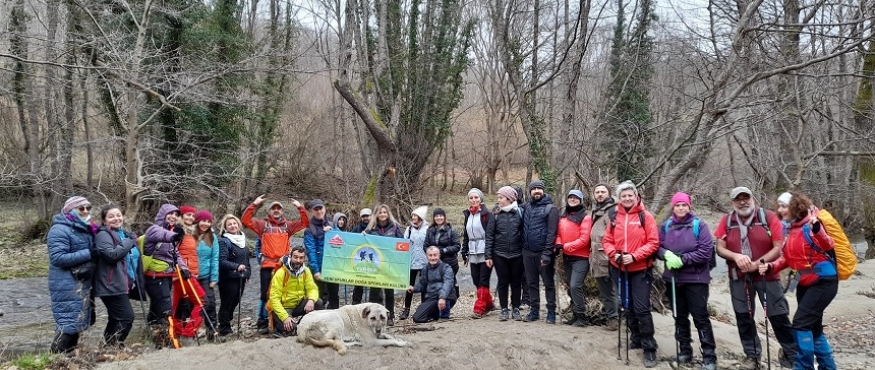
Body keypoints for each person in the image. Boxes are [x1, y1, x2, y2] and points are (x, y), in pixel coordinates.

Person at [714, 187, 796, 369]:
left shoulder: (768, 217)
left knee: (778, 315)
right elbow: (720, 247)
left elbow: (778, 246)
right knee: (744, 316)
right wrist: (736, 256)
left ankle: (791, 354)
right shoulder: (727, 221)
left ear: (753, 199)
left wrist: (758, 262)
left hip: (767, 274)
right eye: (738, 199)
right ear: (732, 202)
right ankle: (752, 356)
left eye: (746, 198)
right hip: (739, 276)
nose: (743, 202)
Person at [760, 192, 837, 370]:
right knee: (813, 327)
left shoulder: (811, 224)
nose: (780, 209)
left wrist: (817, 229)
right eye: (779, 206)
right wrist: (771, 267)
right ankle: (828, 367)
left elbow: (828, 244)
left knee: (800, 324)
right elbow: (787, 258)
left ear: (795, 206)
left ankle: (803, 366)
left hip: (823, 280)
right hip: (805, 282)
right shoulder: (789, 229)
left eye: (784, 206)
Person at [602, 180, 660, 368]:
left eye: (630, 195)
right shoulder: (613, 215)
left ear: (636, 196)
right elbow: (607, 240)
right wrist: (614, 254)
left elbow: (653, 243)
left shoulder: (645, 216)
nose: (627, 198)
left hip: (640, 269)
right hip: (618, 268)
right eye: (623, 196)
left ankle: (649, 347)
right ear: (619, 198)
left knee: (642, 307)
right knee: (626, 306)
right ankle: (635, 338)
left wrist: (634, 256)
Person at [657, 192, 717, 370]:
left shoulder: (700, 225)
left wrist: (682, 259)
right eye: (677, 205)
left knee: (700, 317)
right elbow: (657, 247)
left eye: (684, 205)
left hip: (696, 279)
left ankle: (709, 355)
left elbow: (705, 251)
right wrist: (666, 254)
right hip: (673, 279)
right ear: (673, 207)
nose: (681, 208)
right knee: (679, 316)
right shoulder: (666, 226)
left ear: (689, 206)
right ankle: (685, 350)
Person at [241, 195, 308, 332]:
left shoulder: (287, 226)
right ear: (269, 211)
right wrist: (254, 204)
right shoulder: (262, 225)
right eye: (273, 208)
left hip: (283, 266)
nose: (276, 210)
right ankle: (262, 322)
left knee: (280, 293)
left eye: (279, 208)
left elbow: (305, 223)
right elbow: (245, 220)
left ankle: (277, 320)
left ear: (282, 211)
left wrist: (300, 207)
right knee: (265, 294)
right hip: (267, 265)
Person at [47, 196, 97, 353]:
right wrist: (89, 252)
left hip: (82, 283)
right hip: (65, 284)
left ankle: (67, 360)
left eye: (88, 207)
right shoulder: (59, 229)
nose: (86, 211)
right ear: (70, 210)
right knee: (67, 327)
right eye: (81, 208)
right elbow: (57, 258)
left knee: (76, 326)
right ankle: (53, 360)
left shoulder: (86, 227)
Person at [143, 204, 189, 345]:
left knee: (156, 309)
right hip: (154, 277)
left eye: (176, 214)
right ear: (163, 214)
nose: (174, 217)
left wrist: (183, 267)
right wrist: (175, 235)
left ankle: (151, 338)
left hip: (167, 276)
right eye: (171, 213)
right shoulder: (154, 229)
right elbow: (164, 235)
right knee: (165, 310)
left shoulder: (171, 231)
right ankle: (170, 342)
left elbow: (175, 253)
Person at [93, 205, 138, 348]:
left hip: (120, 283)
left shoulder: (122, 233)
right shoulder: (103, 235)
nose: (116, 218)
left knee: (115, 318)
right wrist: (129, 242)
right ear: (104, 221)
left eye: (118, 215)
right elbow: (111, 255)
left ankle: (107, 347)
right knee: (127, 317)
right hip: (110, 284)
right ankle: (114, 346)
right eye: (111, 216)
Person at [520, 180, 559, 323]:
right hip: (527, 252)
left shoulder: (551, 209)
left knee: (548, 283)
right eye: (534, 189)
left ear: (543, 190)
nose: (536, 191)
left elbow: (551, 233)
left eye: (539, 189)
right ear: (530, 191)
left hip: (543, 252)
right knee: (531, 283)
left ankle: (551, 312)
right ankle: (534, 311)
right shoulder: (526, 207)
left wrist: (548, 253)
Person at [485, 186, 524, 321]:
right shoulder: (494, 214)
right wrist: (488, 256)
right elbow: (489, 235)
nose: (498, 200)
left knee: (516, 282)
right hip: (499, 254)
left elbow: (524, 233)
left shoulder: (520, 212)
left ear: (509, 199)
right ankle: (503, 309)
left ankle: (516, 308)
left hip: (517, 254)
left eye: (501, 197)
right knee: (502, 281)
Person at [268, 245, 323, 336]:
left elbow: (312, 288)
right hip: (283, 307)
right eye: (295, 257)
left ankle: (302, 324)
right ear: (290, 256)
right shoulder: (281, 273)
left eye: (301, 258)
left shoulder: (305, 271)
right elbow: (274, 299)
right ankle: (279, 327)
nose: (298, 260)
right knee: (290, 329)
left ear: (304, 258)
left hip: (298, 305)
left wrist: (311, 300)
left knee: (318, 302)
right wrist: (285, 317)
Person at [556, 189, 592, 327]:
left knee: (575, 285)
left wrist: (565, 246)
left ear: (581, 200)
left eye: (576, 198)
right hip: (567, 257)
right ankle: (576, 315)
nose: (573, 199)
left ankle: (582, 317)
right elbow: (558, 233)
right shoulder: (563, 215)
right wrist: (558, 243)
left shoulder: (586, 217)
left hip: (581, 257)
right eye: (570, 197)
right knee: (571, 288)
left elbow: (584, 239)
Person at [364, 204, 404, 325]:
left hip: (389, 265)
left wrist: (408, 243)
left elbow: (402, 242)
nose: (382, 214)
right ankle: (371, 316)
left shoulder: (395, 227)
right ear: (376, 214)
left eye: (384, 212)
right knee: (374, 292)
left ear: (388, 214)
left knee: (389, 292)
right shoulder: (371, 228)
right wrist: (362, 236)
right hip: (375, 265)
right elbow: (362, 243)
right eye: (380, 212)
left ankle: (390, 316)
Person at [587, 183, 619, 330]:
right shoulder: (597, 210)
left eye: (603, 192)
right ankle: (612, 318)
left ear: (609, 193)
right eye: (597, 192)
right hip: (597, 256)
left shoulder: (613, 210)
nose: (600, 194)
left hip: (608, 256)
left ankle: (615, 319)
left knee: (612, 290)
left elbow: (617, 235)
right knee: (606, 290)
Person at [171, 205, 205, 346]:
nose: (190, 218)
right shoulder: (179, 231)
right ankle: (189, 334)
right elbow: (172, 251)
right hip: (182, 274)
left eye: (192, 216)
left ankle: (176, 334)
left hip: (186, 274)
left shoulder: (191, 233)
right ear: (181, 216)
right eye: (187, 215)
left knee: (177, 306)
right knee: (202, 301)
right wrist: (182, 268)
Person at [462, 188, 495, 319]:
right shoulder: (467, 215)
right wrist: (464, 250)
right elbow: (466, 235)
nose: (474, 200)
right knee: (476, 280)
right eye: (471, 198)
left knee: (483, 280)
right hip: (473, 251)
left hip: (485, 250)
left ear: (481, 199)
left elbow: (491, 235)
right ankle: (489, 303)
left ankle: (479, 308)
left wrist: (489, 254)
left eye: (476, 197)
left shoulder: (487, 214)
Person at [217, 214, 251, 338]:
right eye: (229, 224)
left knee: (235, 302)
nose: (232, 226)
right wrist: (236, 266)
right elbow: (221, 261)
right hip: (227, 278)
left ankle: (226, 321)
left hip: (240, 278)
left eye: (234, 223)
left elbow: (246, 261)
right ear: (225, 227)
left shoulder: (242, 241)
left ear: (238, 225)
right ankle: (224, 329)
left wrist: (247, 274)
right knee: (227, 303)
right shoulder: (223, 241)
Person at [425, 208, 461, 319]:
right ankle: (436, 311)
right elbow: (425, 246)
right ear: (434, 218)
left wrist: (442, 251)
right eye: (436, 216)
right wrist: (432, 254)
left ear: (444, 217)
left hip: (449, 262)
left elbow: (457, 246)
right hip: (434, 264)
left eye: (441, 216)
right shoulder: (430, 231)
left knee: (447, 288)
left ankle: (445, 313)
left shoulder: (451, 230)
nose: (439, 218)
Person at [304, 199, 339, 309]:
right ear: (312, 211)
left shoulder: (333, 225)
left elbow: (342, 242)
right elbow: (311, 251)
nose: (319, 211)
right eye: (316, 209)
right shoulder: (309, 229)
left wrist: (333, 231)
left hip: (333, 267)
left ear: (324, 209)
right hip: (318, 268)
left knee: (334, 297)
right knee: (317, 298)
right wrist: (315, 270)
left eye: (321, 208)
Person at [406, 247, 457, 323]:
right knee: (417, 318)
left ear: (439, 255)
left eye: (435, 255)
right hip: (432, 297)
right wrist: (413, 289)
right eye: (430, 255)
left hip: (447, 297)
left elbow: (447, 285)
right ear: (426, 256)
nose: (433, 258)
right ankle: (435, 314)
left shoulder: (446, 268)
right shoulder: (425, 269)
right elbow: (422, 285)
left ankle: (444, 314)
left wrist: (442, 298)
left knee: (445, 294)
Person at [194, 210, 220, 340]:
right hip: (190, 276)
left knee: (210, 303)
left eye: (209, 221)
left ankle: (212, 331)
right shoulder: (189, 235)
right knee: (191, 304)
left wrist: (214, 277)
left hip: (206, 276)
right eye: (203, 220)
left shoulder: (212, 237)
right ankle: (190, 330)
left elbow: (215, 258)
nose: (206, 223)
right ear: (197, 221)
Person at [400, 206, 429, 320]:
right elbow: (403, 244)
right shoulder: (409, 229)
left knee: (424, 286)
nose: (413, 218)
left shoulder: (427, 229)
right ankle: (406, 309)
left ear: (420, 217)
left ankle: (423, 309)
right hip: (411, 262)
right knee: (409, 286)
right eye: (412, 216)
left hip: (424, 262)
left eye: (415, 216)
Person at [350, 208, 373, 305]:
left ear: (371, 216)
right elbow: (350, 242)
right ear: (361, 217)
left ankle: (373, 304)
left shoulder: (375, 229)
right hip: (359, 260)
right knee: (358, 285)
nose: (365, 218)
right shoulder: (356, 229)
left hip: (373, 260)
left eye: (367, 216)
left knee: (374, 284)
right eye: (363, 216)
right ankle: (356, 304)